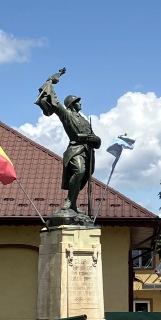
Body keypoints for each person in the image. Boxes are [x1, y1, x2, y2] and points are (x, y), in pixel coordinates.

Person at [34, 70, 101, 215]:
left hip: (88, 152)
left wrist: (96, 140)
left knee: (82, 176)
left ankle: (73, 205)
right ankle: (69, 200)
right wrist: (50, 83)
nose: (80, 103)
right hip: (76, 149)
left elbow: (95, 139)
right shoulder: (67, 115)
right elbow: (56, 104)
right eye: (77, 102)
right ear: (71, 105)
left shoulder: (84, 120)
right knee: (79, 170)